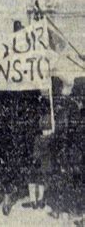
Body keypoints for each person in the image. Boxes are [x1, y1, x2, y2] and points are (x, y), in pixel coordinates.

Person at [47, 77, 83, 220]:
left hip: (68, 150)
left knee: (63, 180)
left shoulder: (68, 107)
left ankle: (64, 210)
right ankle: (68, 210)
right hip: (72, 150)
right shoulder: (71, 106)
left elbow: (65, 130)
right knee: (69, 181)